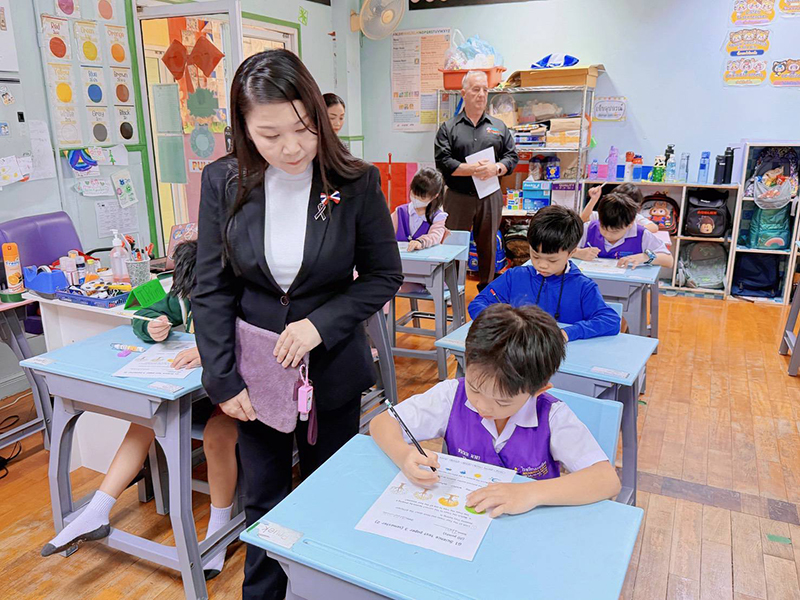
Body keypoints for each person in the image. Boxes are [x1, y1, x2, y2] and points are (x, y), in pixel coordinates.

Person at [193, 49, 402, 600]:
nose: (291, 147)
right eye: (270, 134)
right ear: (243, 129)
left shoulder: (353, 182)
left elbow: (384, 275)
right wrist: (222, 378)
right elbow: (212, 287)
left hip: (331, 369)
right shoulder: (223, 181)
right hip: (257, 375)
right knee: (263, 499)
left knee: (328, 494)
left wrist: (320, 324)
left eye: (303, 128)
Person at [41, 241, 239, 581]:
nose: (197, 300)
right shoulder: (187, 296)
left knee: (216, 437)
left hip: (240, 394)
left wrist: (212, 353)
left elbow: (258, 342)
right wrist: (151, 326)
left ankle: (219, 531)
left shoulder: (245, 298)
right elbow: (143, 315)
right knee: (146, 420)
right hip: (200, 393)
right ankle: (98, 510)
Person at [370, 304, 621, 517]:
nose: (483, 406)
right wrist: (404, 455)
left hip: (528, 525)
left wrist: (530, 493)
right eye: (475, 388)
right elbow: (382, 423)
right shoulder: (451, 395)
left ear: (538, 390)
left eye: (502, 402)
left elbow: (606, 480)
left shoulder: (552, 417)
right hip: (464, 519)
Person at [469, 205, 619, 341]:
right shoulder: (514, 277)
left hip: (562, 356)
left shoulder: (583, 287)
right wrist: (501, 324)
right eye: (535, 256)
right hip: (520, 355)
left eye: (552, 260)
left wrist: (568, 333)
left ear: (572, 253)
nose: (542, 265)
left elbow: (610, 321)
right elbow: (477, 304)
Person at [435, 71, 519, 292]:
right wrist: (473, 169)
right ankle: (450, 290)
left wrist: (496, 168)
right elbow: (443, 161)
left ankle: (487, 291)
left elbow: (511, 157)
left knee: (488, 244)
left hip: (489, 195)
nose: (481, 94)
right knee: (453, 244)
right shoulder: (448, 128)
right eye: (475, 89)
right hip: (458, 197)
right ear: (463, 93)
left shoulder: (499, 127)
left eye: (485, 90)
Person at [574, 192, 674, 269]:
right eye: (603, 228)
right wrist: (577, 253)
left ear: (630, 224)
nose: (608, 235)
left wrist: (644, 257)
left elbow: (669, 261)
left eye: (615, 232)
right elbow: (564, 248)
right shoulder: (588, 228)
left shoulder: (641, 234)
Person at [392, 167, 448, 251]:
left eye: (422, 197)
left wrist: (421, 242)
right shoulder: (399, 212)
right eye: (413, 193)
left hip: (426, 258)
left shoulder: (438, 217)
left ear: (434, 196)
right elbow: (385, 232)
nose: (416, 199)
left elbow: (435, 236)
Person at [581, 182, 658, 232]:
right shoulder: (604, 214)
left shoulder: (634, 217)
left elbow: (654, 227)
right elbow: (583, 219)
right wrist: (593, 199)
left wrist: (628, 229)